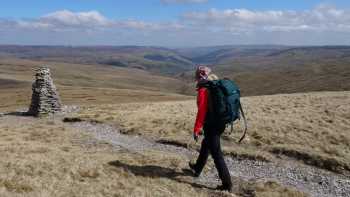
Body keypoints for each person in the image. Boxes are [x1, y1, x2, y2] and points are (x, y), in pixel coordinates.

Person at [189, 66, 233, 191]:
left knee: (217, 154)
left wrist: (197, 129)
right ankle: (197, 168)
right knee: (206, 144)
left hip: (212, 124)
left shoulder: (204, 88)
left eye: (197, 75)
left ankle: (227, 184)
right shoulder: (215, 83)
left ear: (199, 76)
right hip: (220, 123)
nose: (196, 78)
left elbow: (202, 111)